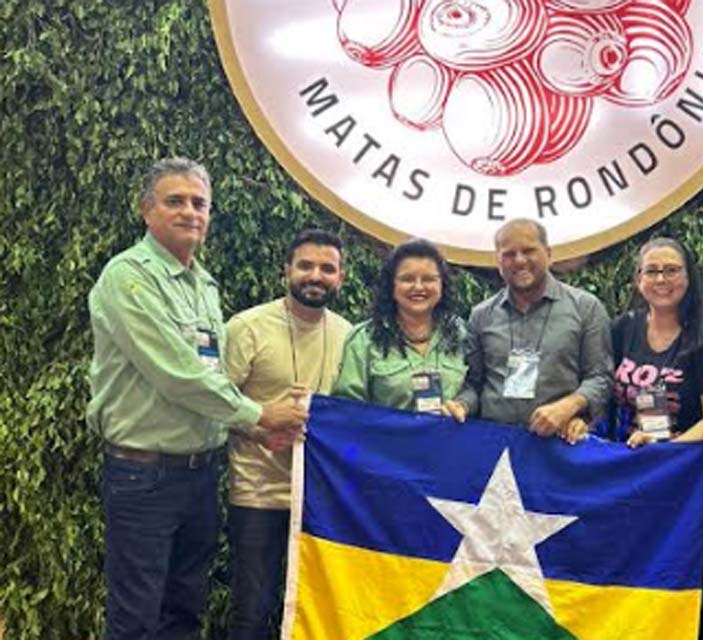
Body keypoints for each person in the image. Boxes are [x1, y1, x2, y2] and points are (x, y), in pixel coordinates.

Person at [86, 157, 307, 639]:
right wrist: (261, 413)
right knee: (136, 618)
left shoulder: (204, 285)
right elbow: (177, 374)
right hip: (143, 475)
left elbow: (213, 377)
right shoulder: (128, 278)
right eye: (175, 201)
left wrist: (251, 426)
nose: (190, 212)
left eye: (199, 203)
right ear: (147, 211)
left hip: (200, 473)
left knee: (184, 610)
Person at [223, 229, 352, 639]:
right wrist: (260, 427)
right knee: (253, 609)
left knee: (317, 611)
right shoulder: (247, 327)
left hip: (321, 500)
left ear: (341, 278)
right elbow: (212, 402)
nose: (316, 275)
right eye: (306, 266)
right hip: (258, 493)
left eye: (327, 269)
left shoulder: (349, 335)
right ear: (286, 271)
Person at [606, 237, 703, 639]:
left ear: (688, 276)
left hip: (683, 483)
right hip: (628, 479)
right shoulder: (622, 329)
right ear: (638, 279)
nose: (662, 279)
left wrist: (666, 451)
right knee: (628, 578)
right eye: (652, 271)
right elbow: (601, 393)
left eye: (672, 270)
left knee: (686, 580)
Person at [445, 218, 612, 443]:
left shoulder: (586, 308)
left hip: (558, 446)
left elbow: (600, 378)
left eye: (528, 251)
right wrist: (462, 405)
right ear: (498, 261)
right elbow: (474, 384)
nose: (520, 261)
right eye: (509, 254)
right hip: (495, 445)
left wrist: (569, 407)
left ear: (548, 253)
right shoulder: (481, 315)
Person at [331, 239, 466, 412]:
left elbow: (477, 392)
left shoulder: (463, 334)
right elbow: (348, 410)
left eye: (428, 279)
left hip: (451, 438)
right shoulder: (364, 339)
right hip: (386, 439)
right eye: (407, 279)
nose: (418, 287)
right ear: (391, 285)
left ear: (442, 285)